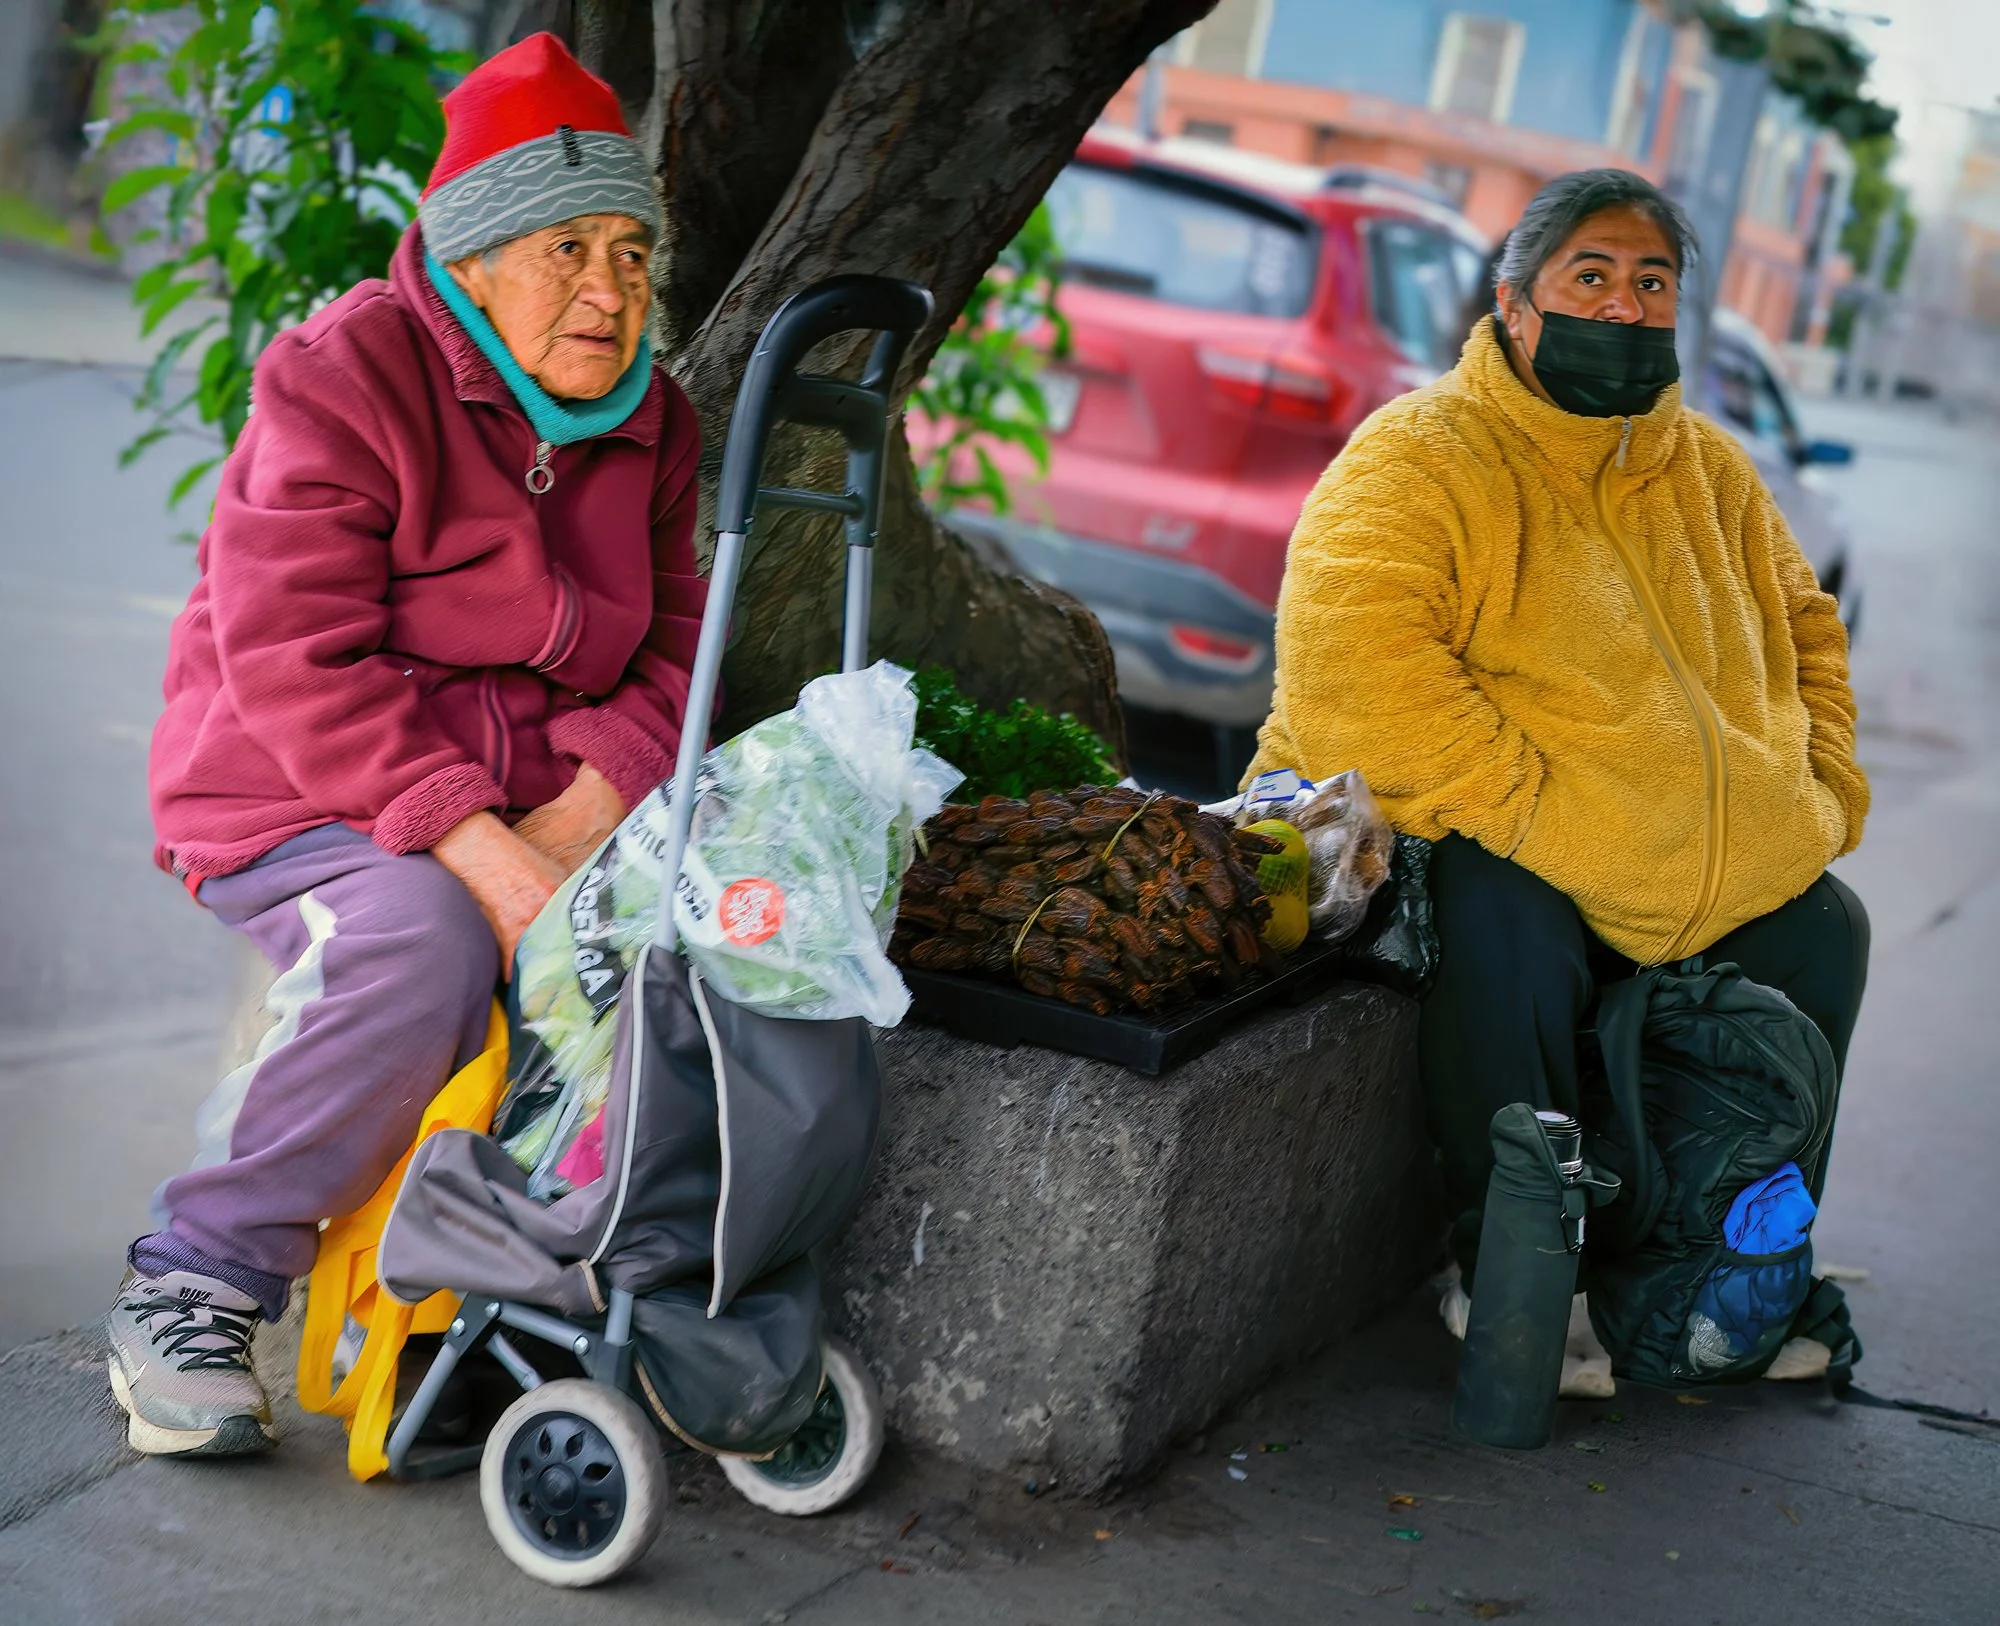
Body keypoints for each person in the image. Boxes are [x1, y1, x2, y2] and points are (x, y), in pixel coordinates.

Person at [108, 34, 705, 1457]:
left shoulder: (656, 426)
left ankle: (490, 1313)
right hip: (294, 785)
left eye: (632, 253)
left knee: (712, 932)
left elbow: (686, 644)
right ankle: (196, 1275)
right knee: (431, 945)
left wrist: (573, 826)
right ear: (481, 256)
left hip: (538, 798)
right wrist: (491, 856)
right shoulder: (347, 373)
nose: (612, 291)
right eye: (569, 249)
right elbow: (293, 657)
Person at [1247, 169, 1869, 1393]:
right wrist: (1566, 827)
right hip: (1462, 838)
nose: (1624, 307)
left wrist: (1820, 794)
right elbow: (1356, 673)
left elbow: (1807, 629)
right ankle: (1519, 1270)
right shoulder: (1419, 455)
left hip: (1666, 855)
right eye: (1589, 277)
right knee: (1506, 914)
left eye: (1651, 284)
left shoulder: (1712, 473)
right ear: (1514, 306)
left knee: (1820, 928)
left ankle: (1712, 1274)